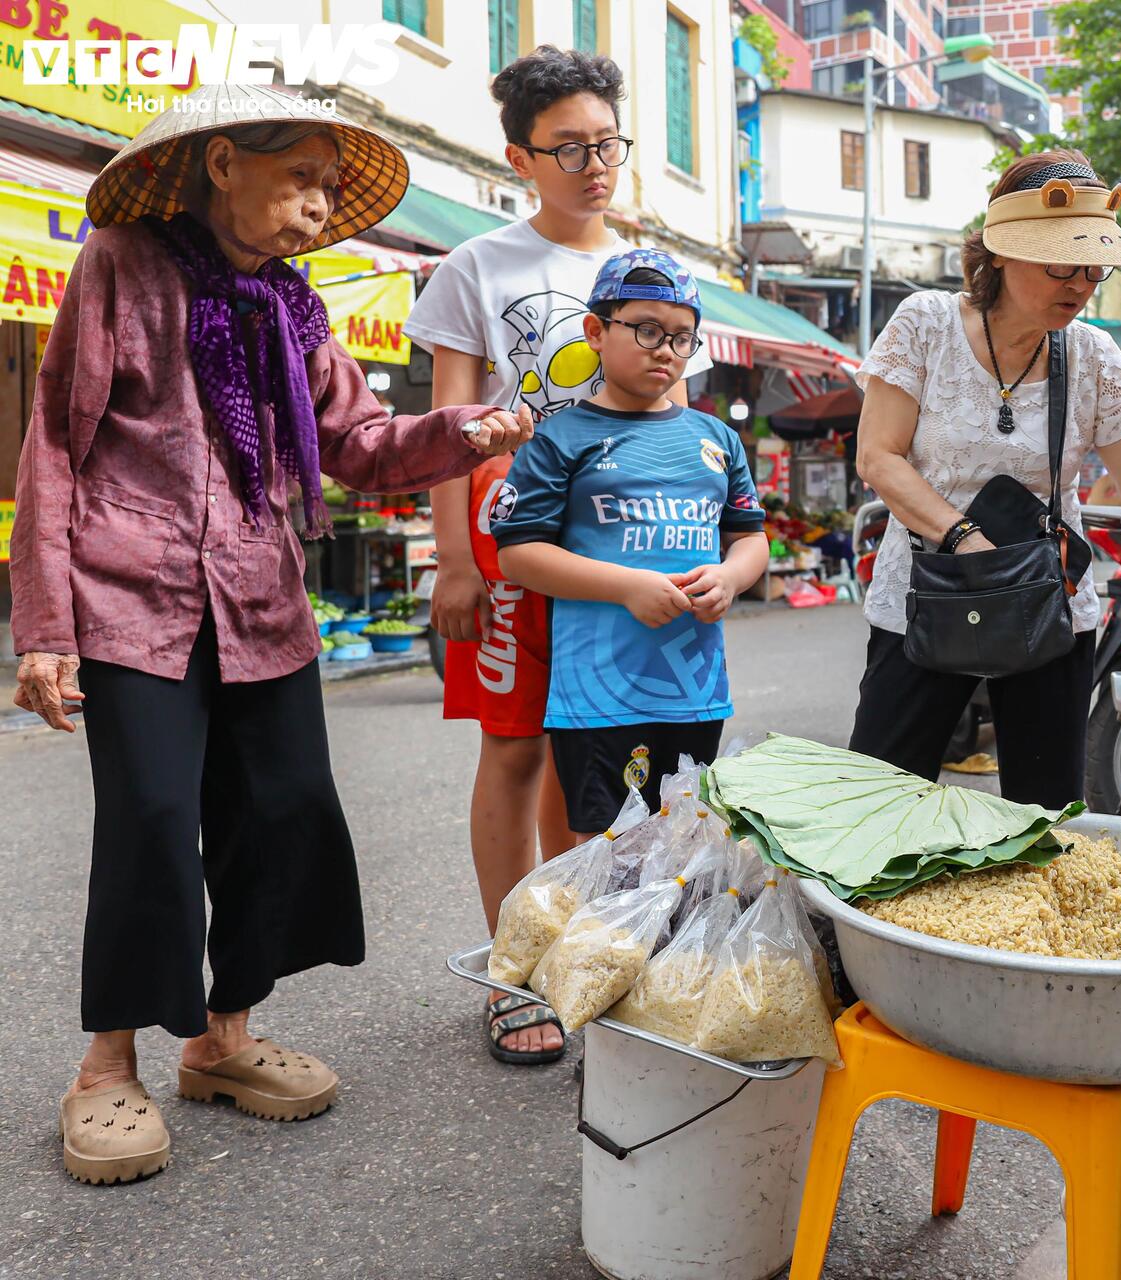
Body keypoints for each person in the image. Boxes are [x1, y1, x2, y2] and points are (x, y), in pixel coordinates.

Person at [10, 86, 531, 1186]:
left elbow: (358, 441)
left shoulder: (296, 306)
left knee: (280, 807)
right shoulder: (123, 260)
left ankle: (220, 1038)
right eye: (300, 176)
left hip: (260, 593)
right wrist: (44, 624)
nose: (316, 202)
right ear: (221, 169)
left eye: (329, 187)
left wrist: (461, 430)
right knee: (152, 816)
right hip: (130, 588)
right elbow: (58, 437)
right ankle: (107, 1065)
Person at [403, 46, 714, 1064]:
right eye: (568, 147)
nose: (594, 164)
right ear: (518, 157)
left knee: (595, 753)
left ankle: (581, 944)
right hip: (510, 542)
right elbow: (450, 422)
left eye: (608, 143)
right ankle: (513, 966)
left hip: (622, 553)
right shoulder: (478, 269)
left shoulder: (660, 273)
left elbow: (678, 424)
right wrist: (455, 556)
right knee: (515, 744)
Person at [850, 150, 1121, 805]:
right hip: (923, 596)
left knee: (1046, 808)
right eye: (1061, 263)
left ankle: (1030, 910)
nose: (1079, 283)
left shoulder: (1092, 354)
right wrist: (964, 538)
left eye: (1093, 267)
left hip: (1046, 604)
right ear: (1001, 251)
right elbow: (879, 457)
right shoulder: (926, 325)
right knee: (878, 792)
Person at [493, 250, 768, 836]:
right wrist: (627, 587)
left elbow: (750, 537)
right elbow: (517, 553)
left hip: (696, 691)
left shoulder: (717, 438)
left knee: (686, 848)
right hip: (597, 695)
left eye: (682, 338)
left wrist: (731, 576)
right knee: (606, 856)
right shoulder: (559, 439)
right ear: (596, 330)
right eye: (646, 329)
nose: (664, 349)